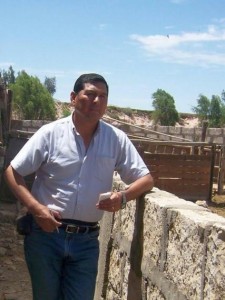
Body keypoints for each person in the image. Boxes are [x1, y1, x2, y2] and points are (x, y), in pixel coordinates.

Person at [4, 73, 154, 300]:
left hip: (86, 242)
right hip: (46, 236)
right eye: (90, 94)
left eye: (103, 96)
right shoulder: (51, 134)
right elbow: (12, 172)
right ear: (73, 98)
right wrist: (36, 209)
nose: (97, 101)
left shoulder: (116, 139)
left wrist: (122, 197)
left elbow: (146, 179)